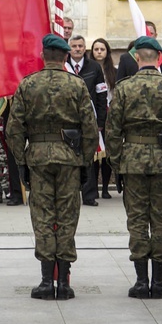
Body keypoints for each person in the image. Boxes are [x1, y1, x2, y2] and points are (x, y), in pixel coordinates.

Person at [6, 34, 99, 301]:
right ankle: (65, 283)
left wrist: (22, 161)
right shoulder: (77, 85)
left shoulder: (28, 84)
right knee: (67, 217)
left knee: (43, 218)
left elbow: (14, 129)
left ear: (43, 56)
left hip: (37, 159)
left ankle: (47, 281)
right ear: (65, 57)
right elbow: (90, 129)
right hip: (69, 158)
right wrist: (84, 161)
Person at [105, 36, 162, 299]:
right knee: (161, 221)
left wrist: (117, 163)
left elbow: (112, 132)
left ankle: (142, 281)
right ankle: (160, 281)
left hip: (132, 162)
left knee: (138, 220)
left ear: (137, 58)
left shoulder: (123, 89)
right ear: (159, 59)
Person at [68, 34, 107, 206]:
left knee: (89, 157)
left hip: (90, 120)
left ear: (85, 48)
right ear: (69, 48)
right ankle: (71, 194)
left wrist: (100, 122)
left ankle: (89, 195)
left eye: (80, 46)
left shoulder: (94, 68)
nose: (77, 49)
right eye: (74, 46)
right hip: (68, 120)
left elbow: (101, 95)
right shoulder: (63, 66)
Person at [90, 38, 116, 198]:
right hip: (93, 114)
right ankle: (93, 187)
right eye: (96, 49)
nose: (99, 52)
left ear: (107, 52)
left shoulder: (114, 71)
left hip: (109, 116)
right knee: (93, 154)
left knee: (107, 154)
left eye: (102, 49)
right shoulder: (89, 69)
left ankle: (105, 188)